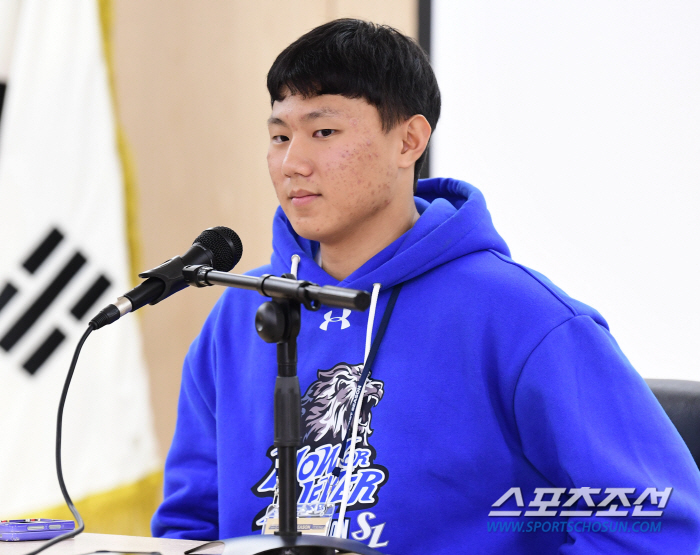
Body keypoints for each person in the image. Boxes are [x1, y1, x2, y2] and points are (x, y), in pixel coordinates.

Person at [152, 19, 700, 554]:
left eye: (323, 132)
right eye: (279, 136)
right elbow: (190, 525)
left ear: (409, 140)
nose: (293, 163)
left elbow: (660, 526)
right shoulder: (240, 312)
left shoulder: (526, 319)